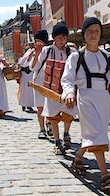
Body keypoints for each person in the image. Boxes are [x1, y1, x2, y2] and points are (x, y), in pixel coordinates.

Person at [62, 17, 110, 192]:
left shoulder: (108, 57)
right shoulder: (76, 57)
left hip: (103, 98)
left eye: (97, 31)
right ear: (84, 34)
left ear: (101, 34)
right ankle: (105, 175)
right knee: (96, 132)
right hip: (85, 97)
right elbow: (67, 78)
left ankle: (77, 158)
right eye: (89, 31)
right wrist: (69, 92)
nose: (93, 34)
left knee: (96, 133)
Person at [40, 22, 77, 155]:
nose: (62, 40)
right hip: (52, 88)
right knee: (53, 116)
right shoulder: (47, 50)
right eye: (60, 37)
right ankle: (57, 141)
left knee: (69, 113)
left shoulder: (72, 52)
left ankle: (66, 134)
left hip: (67, 89)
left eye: (64, 37)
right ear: (54, 38)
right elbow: (38, 67)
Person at [30, 29, 50, 139]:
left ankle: (49, 125)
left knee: (50, 106)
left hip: (49, 81)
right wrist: (36, 54)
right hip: (38, 81)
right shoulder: (36, 52)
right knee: (40, 107)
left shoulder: (50, 50)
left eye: (37, 40)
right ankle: (42, 128)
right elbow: (33, 67)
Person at [17, 38, 35, 112]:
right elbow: (22, 62)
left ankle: (29, 105)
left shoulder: (36, 51)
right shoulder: (28, 52)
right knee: (24, 90)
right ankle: (23, 104)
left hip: (31, 73)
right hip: (25, 73)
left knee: (30, 90)